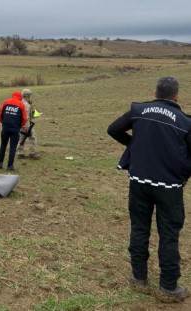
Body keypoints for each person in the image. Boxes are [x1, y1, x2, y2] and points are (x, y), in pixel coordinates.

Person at [107, 76, 190, 302]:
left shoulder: (139, 110)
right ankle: (169, 287)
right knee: (169, 235)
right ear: (176, 96)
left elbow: (113, 129)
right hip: (169, 187)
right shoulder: (185, 122)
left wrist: (134, 145)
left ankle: (139, 279)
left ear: (155, 93)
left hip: (139, 182)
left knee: (139, 227)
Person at [0, 91, 27, 171]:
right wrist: (20, 126)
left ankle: (0, 163)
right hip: (15, 128)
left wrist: (3, 123)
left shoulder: (6, 102)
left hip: (5, 127)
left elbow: (0, 114)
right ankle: (10, 166)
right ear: (20, 97)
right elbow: (24, 118)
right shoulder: (21, 104)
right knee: (12, 147)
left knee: (3, 145)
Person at [16, 88, 41, 160]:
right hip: (26, 124)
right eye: (30, 95)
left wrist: (35, 113)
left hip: (20, 124)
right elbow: (26, 117)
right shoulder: (26, 104)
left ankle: (20, 153)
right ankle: (32, 153)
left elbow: (30, 114)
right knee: (32, 137)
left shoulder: (21, 102)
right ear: (27, 96)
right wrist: (27, 126)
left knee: (21, 138)